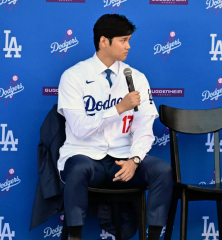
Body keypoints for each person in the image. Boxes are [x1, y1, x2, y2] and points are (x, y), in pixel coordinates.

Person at [57, 14, 172, 240]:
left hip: (123, 159)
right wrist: (118, 108)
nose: (128, 46)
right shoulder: (73, 76)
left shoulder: (136, 78)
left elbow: (144, 128)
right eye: (123, 40)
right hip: (85, 156)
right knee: (79, 169)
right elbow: (79, 129)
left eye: (129, 40)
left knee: (162, 170)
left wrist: (135, 159)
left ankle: (154, 237)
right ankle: (75, 237)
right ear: (103, 42)